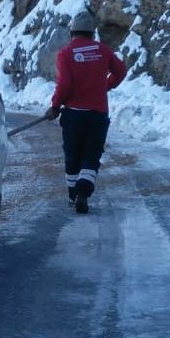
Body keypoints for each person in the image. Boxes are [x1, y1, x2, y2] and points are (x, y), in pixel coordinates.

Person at [45, 11, 127, 214]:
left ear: (72, 32)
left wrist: (55, 106)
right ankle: (84, 190)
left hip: (73, 115)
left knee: (72, 156)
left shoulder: (65, 54)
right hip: (98, 115)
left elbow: (64, 84)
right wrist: (106, 86)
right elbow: (121, 71)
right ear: (92, 33)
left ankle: (74, 194)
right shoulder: (103, 51)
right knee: (92, 155)